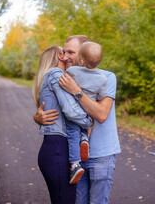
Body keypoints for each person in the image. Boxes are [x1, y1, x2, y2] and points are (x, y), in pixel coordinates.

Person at [34, 35, 121, 204]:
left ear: (82, 54)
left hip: (101, 155)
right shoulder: (67, 76)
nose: (65, 56)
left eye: (70, 52)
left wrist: (76, 91)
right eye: (64, 52)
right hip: (75, 157)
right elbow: (57, 107)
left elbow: (102, 114)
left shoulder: (107, 77)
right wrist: (37, 117)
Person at [32, 45, 92, 204]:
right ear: (59, 56)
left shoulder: (52, 76)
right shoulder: (56, 74)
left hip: (55, 148)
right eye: (64, 52)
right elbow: (70, 111)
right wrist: (89, 121)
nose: (67, 56)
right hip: (58, 149)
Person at [66, 41, 108, 165]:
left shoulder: (73, 70)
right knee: (86, 124)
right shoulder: (102, 79)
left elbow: (64, 80)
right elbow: (102, 96)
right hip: (88, 111)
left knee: (72, 131)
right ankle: (84, 138)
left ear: (82, 60)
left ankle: (75, 162)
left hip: (74, 107)